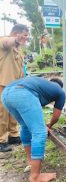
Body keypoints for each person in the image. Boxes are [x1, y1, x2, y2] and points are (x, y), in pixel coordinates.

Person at [1, 77, 66, 182]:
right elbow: (56, 116)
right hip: (23, 94)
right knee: (40, 132)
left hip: (6, 93)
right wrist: (49, 126)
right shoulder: (60, 92)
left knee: (25, 126)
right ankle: (35, 177)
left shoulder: (41, 85)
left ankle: (31, 162)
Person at [0, 24, 29, 152]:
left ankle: (13, 135)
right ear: (16, 33)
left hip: (14, 85)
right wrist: (16, 40)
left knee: (12, 111)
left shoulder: (18, 49)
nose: (26, 38)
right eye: (24, 35)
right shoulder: (4, 40)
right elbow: (7, 42)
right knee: (2, 113)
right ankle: (1, 140)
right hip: (2, 83)